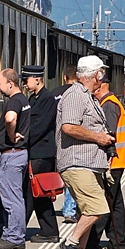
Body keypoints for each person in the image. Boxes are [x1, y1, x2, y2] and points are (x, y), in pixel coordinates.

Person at [55, 56, 116, 249]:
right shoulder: (74, 95)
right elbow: (69, 127)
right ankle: (70, 245)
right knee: (97, 207)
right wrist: (98, 138)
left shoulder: (87, 96)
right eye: (102, 73)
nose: (103, 77)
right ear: (96, 74)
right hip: (77, 161)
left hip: (89, 163)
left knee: (86, 210)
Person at [89, 72, 125, 249]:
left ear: (100, 83)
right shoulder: (110, 102)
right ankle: (118, 244)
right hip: (118, 160)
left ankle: (92, 245)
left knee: (103, 202)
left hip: (112, 162)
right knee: (115, 203)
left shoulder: (108, 105)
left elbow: (108, 136)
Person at [0, 68, 32, 249]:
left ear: (10, 83)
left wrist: (11, 134)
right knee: (14, 197)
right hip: (17, 156)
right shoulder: (24, 100)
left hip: (11, 156)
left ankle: (15, 238)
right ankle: (10, 233)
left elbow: (10, 119)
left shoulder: (14, 101)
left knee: (12, 198)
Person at [21, 64, 60, 243]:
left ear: (37, 79)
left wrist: (22, 141)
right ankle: (49, 230)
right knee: (40, 192)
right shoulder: (35, 98)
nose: (24, 84)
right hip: (37, 152)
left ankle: (18, 232)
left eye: (26, 80)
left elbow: (40, 126)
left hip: (41, 153)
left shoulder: (47, 99)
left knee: (30, 192)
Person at [57, 66, 80, 223]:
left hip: (57, 139)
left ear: (65, 77)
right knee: (74, 177)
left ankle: (68, 209)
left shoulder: (55, 94)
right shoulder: (80, 94)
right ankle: (70, 210)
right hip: (74, 141)